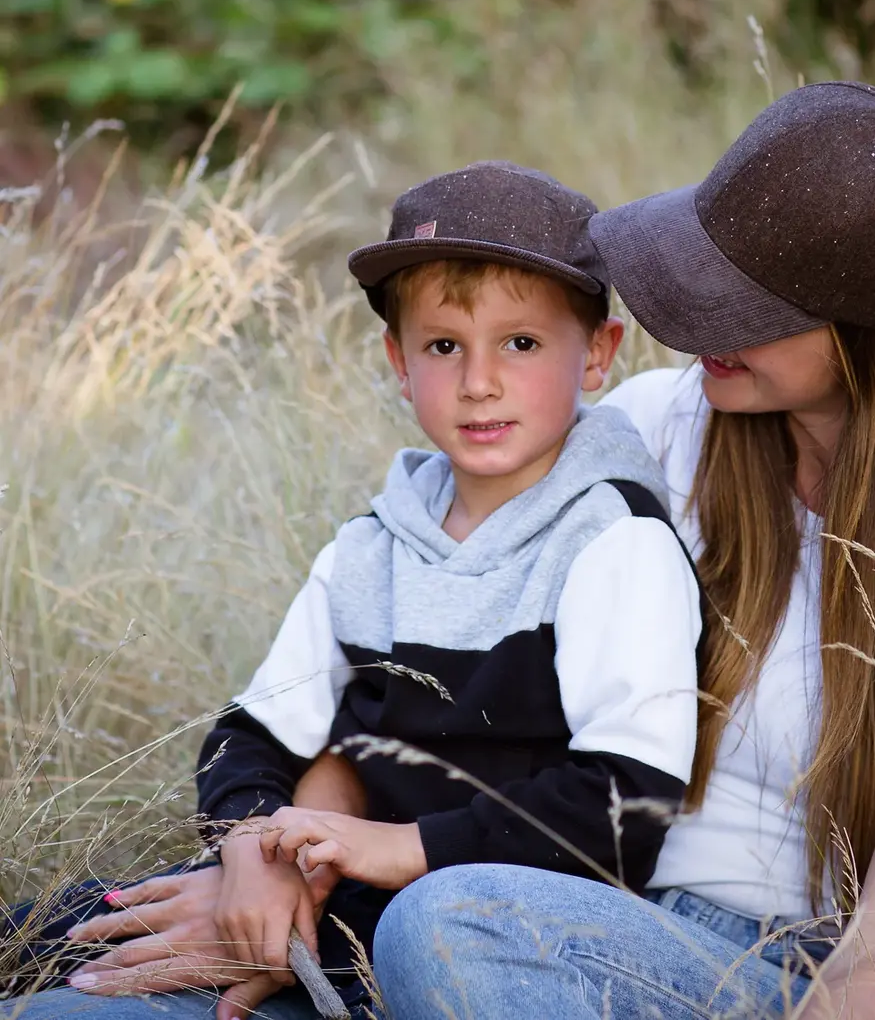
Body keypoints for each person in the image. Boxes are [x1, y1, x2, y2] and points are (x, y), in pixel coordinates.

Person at [1, 162, 702, 1019]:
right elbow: (248, 735)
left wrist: (392, 845)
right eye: (443, 346)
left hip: (478, 938)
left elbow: (623, 807)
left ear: (596, 353)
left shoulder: (613, 542)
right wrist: (254, 854)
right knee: (41, 940)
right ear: (397, 362)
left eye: (520, 343)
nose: (478, 380)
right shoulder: (369, 546)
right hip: (311, 902)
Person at [371, 80, 875, 1019]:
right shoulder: (651, 430)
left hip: (788, 974)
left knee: (447, 927)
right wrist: (279, 859)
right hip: (566, 896)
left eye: (748, 304)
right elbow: (419, 656)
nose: (693, 325)